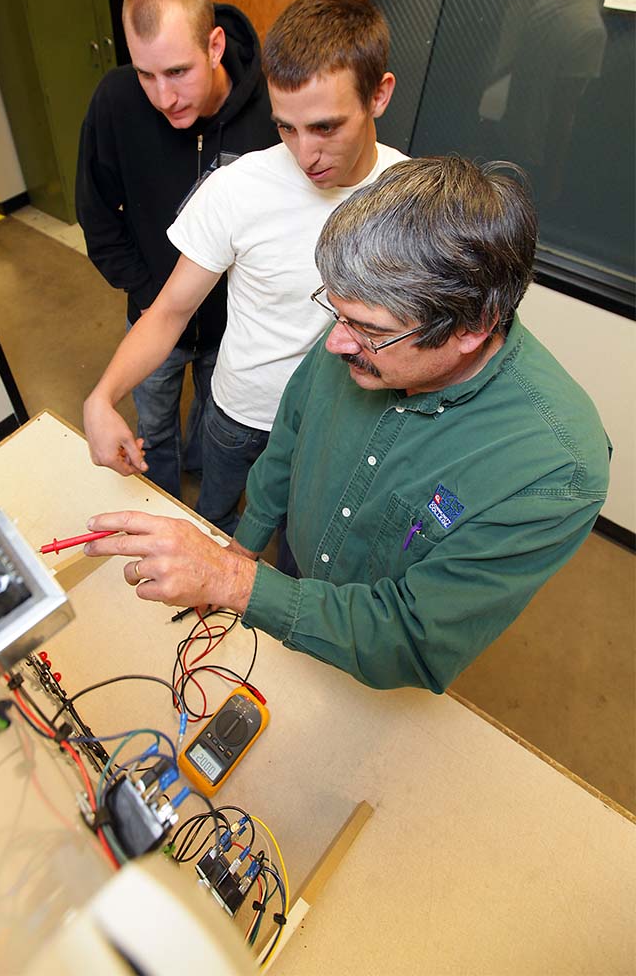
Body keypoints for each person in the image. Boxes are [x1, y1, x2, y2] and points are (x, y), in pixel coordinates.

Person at [81, 157, 611, 694]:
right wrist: (243, 548)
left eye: (369, 329)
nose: (335, 344)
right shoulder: (362, 332)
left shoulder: (555, 468)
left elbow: (412, 638)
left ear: (471, 328)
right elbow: (289, 435)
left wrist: (232, 580)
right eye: (335, 312)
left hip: (372, 671)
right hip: (292, 581)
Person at [83, 0, 404, 532]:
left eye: (326, 127)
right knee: (216, 521)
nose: (306, 155)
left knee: (302, 541)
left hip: (338, 425)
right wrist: (101, 397)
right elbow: (168, 313)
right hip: (242, 415)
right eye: (286, 127)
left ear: (379, 95)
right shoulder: (237, 189)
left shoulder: (411, 197)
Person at [76, 0, 277, 501]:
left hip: (231, 329)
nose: (163, 98)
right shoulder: (116, 103)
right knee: (152, 429)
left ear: (214, 46)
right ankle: (161, 505)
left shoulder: (269, 115)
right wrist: (148, 294)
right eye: (146, 74)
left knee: (218, 433)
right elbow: (96, 215)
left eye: (178, 73)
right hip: (152, 318)